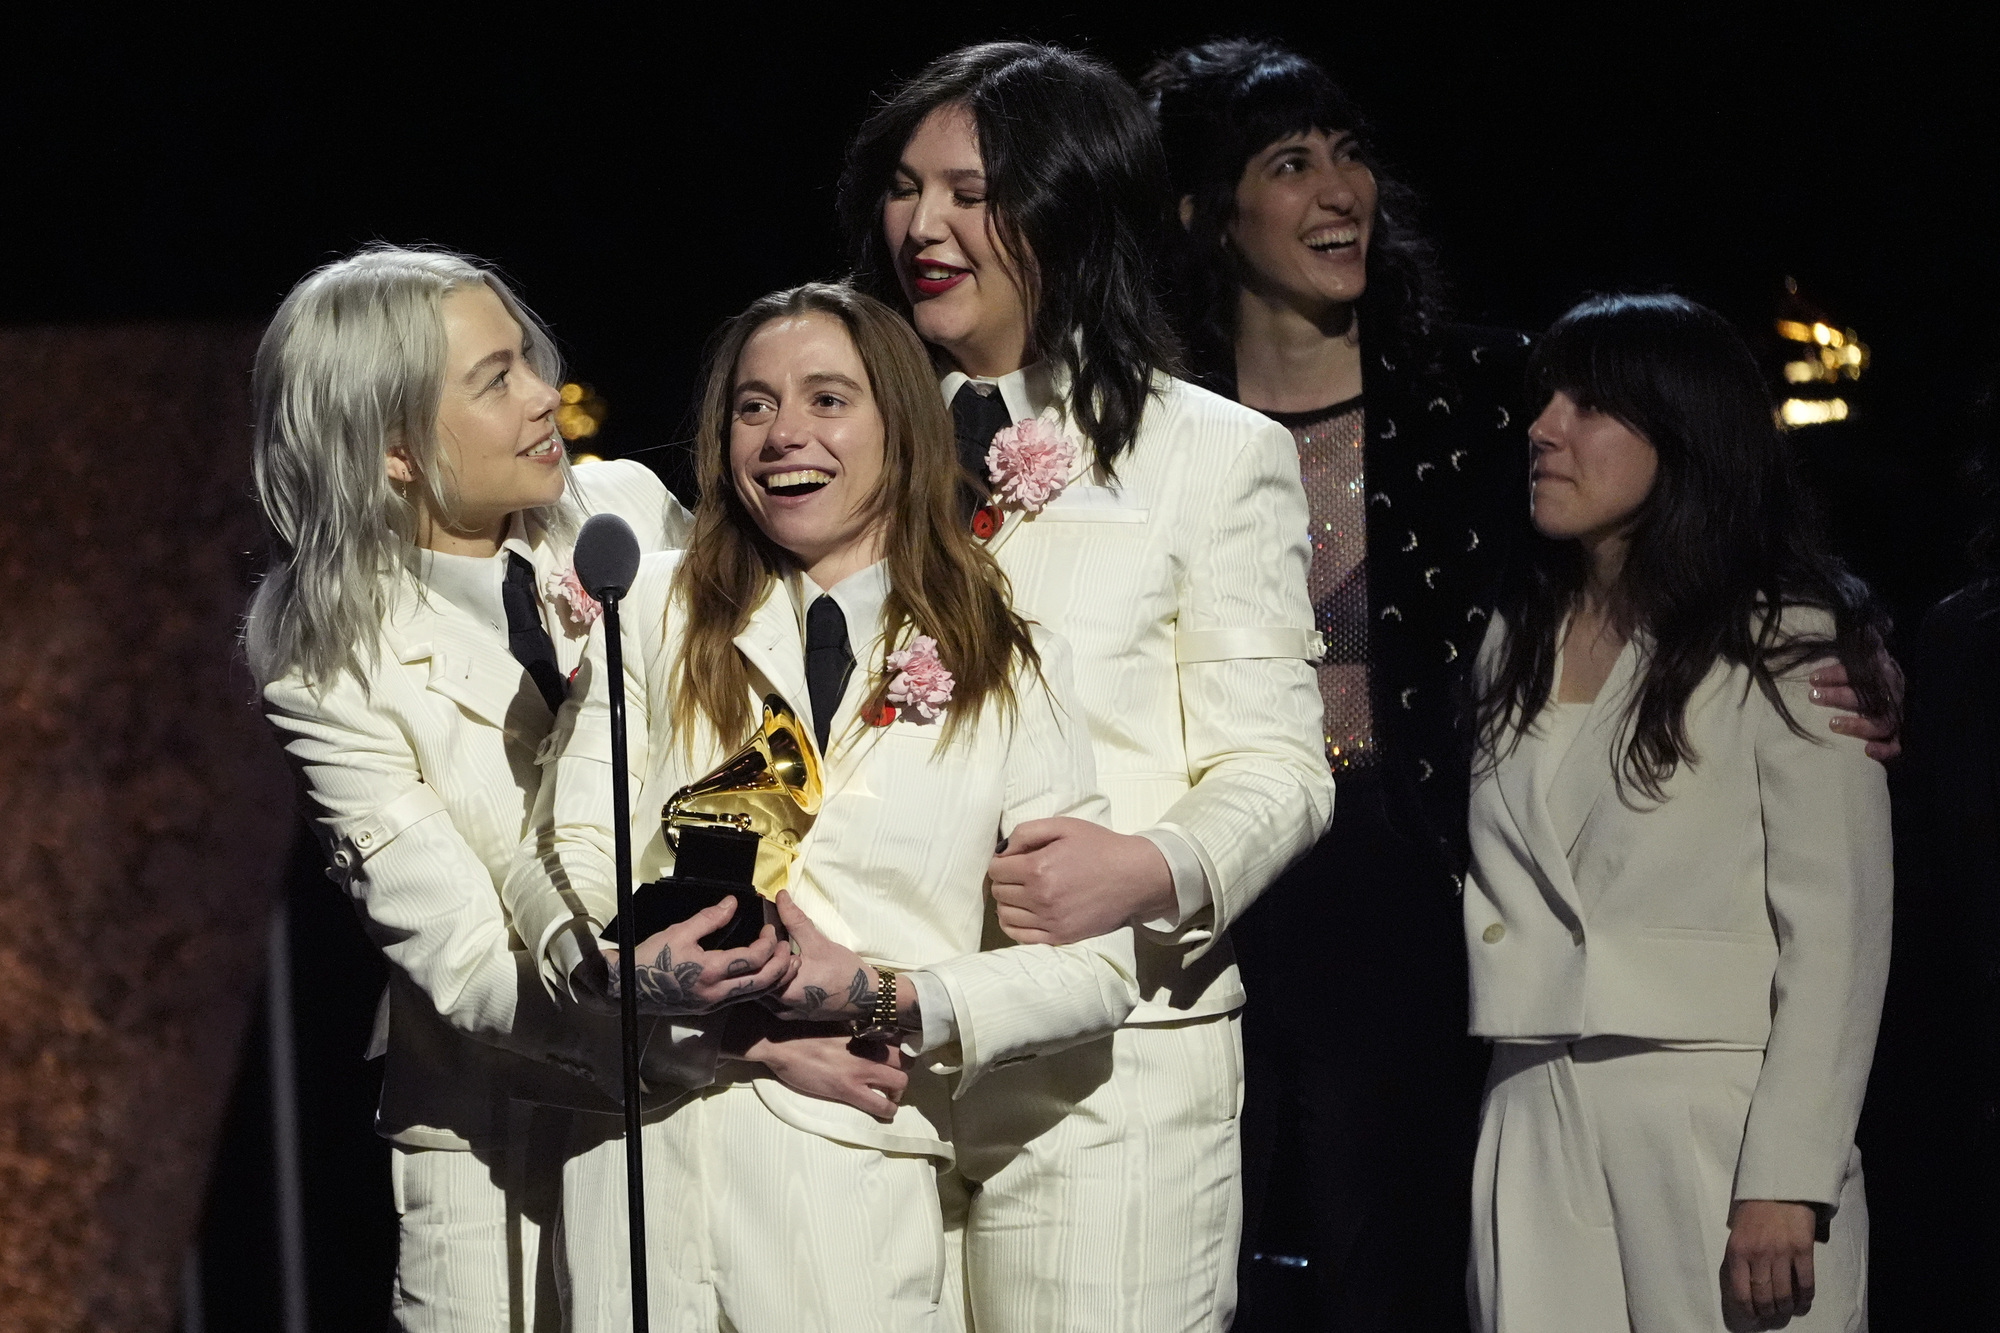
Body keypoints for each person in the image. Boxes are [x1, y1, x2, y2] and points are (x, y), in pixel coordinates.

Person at [1140, 38, 1900, 1330]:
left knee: (1396, 1265)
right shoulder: (1155, 424)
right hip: (1216, 873)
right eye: (1289, 163)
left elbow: (1702, 506)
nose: (1339, 188)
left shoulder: (1490, 398)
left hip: (1427, 891)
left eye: (1349, 153)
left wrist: (1851, 632)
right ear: (1204, 214)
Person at [503, 282, 1141, 1332]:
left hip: (846, 1204)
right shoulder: (654, 608)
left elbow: (1096, 973)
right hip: (637, 1172)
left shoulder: (1005, 658)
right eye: (752, 406)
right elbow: (556, 852)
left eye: (827, 399)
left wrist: (880, 994)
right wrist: (639, 983)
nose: (782, 433)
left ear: (903, 425)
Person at [246, 245, 854, 1329]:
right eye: (496, 379)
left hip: (728, 1109)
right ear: (393, 449)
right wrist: (711, 1029)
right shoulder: (327, 670)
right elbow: (469, 961)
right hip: (497, 1142)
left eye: (527, 359)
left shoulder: (624, 514)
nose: (544, 394)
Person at [837, 42, 1334, 1331]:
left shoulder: (1209, 453)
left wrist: (1150, 866)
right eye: (903, 188)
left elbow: (1279, 766)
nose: (923, 226)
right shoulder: (839, 447)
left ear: (1072, 208)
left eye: (968, 192)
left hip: (1111, 1069)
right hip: (871, 1062)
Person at [1465, 292, 1890, 1332]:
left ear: (1682, 435)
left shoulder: (1783, 642)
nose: (1543, 427)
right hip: (1531, 1099)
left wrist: (1787, 1174)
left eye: (1589, 405)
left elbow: (1838, 933)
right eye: (1546, 399)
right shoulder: (1509, 639)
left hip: (1719, 1116)